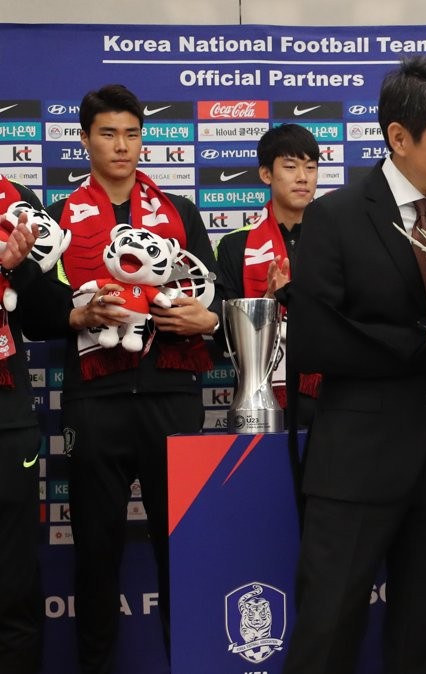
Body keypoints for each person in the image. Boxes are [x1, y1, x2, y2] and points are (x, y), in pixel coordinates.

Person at [281, 55, 426, 674]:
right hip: (357, 462)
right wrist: (423, 344)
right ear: (399, 136)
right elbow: (316, 340)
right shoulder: (335, 217)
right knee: (327, 630)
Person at [22, 84, 221, 674]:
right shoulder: (59, 217)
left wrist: (207, 320)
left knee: (183, 553)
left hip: (172, 396)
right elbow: (32, 310)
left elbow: (216, 294)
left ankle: (190, 663)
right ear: (84, 140)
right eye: (108, 134)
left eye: (132, 134)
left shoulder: (180, 211)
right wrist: (76, 316)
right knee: (96, 554)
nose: (122, 146)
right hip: (95, 400)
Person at [216, 123, 320, 425]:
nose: (303, 177)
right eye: (290, 166)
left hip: (329, 398)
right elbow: (224, 337)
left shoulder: (336, 240)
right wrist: (267, 303)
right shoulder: (234, 245)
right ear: (266, 174)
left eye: (311, 167)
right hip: (258, 400)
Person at [0, 177, 44, 674]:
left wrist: (15, 268)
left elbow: (40, 311)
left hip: (7, 422)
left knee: (13, 587)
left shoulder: (15, 202)